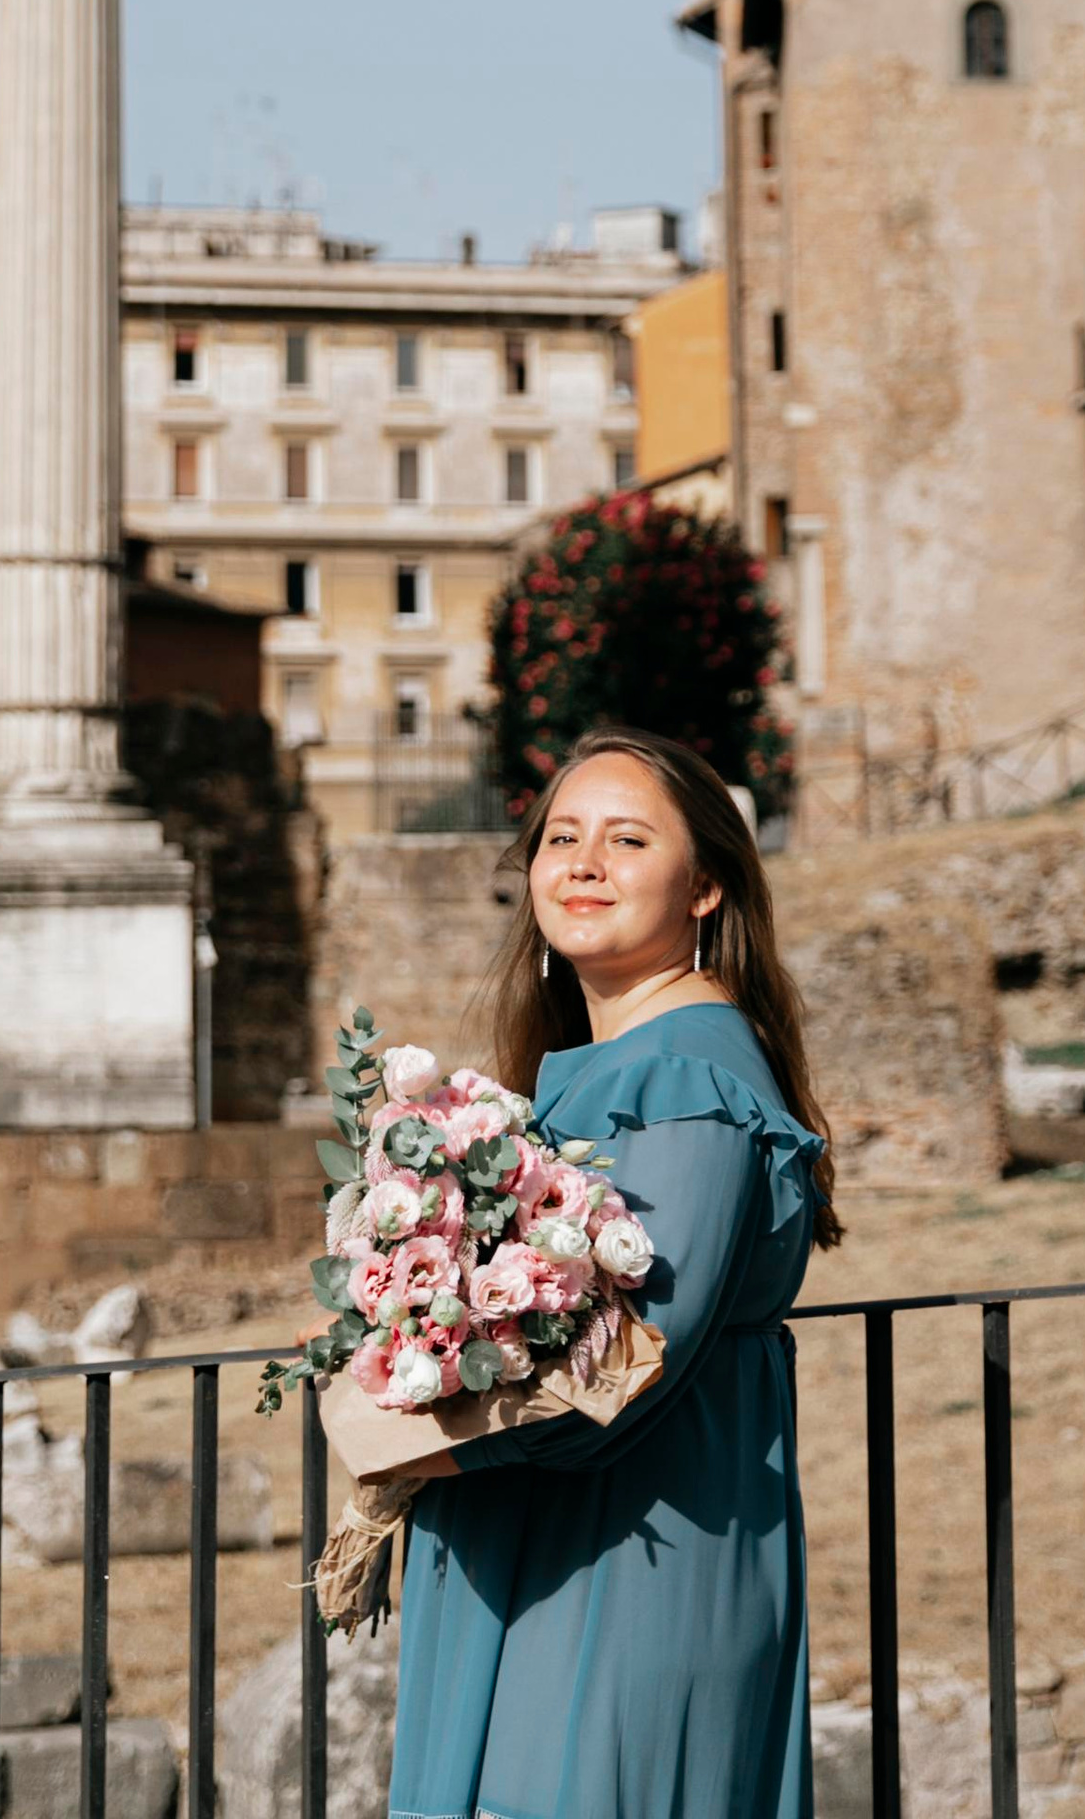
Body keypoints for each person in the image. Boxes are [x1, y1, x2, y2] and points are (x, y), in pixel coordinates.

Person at [384, 726, 841, 1819]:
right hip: (561, 1542)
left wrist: (410, 1438)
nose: (583, 864)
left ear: (705, 890)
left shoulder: (685, 1073)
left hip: (631, 1558)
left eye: (627, 840)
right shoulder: (609, 1067)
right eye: (562, 838)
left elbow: (632, 1369)